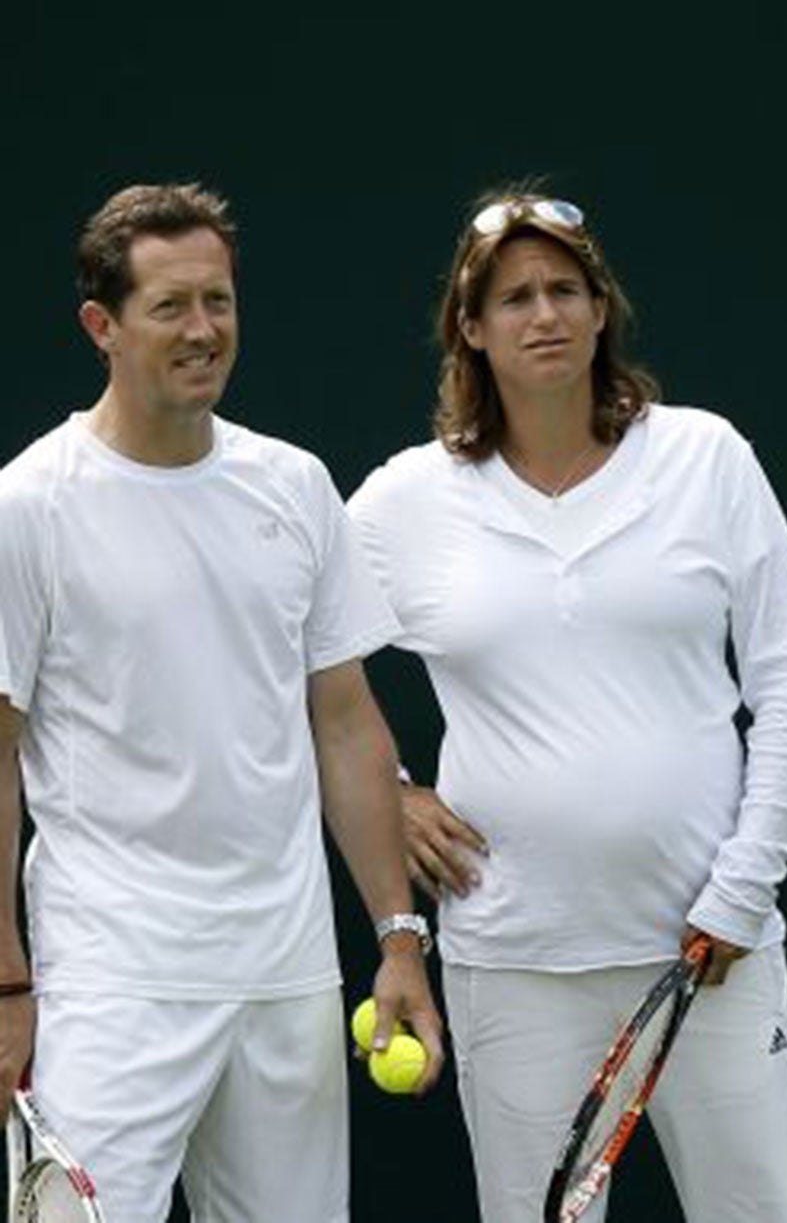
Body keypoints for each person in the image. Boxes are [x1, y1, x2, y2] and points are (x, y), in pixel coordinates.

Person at [347, 191, 787, 1223]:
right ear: (470, 330)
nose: (545, 314)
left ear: (601, 310)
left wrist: (742, 889)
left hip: (712, 953)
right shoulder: (402, 501)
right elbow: (293, 673)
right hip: (511, 960)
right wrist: (387, 793)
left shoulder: (706, 458)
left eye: (565, 289)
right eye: (514, 297)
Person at [0, 183, 443, 1223]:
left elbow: (344, 722)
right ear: (101, 327)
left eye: (220, 303)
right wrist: (6, 985)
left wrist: (396, 937)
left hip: (285, 981)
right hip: (108, 985)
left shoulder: (294, 489)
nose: (204, 331)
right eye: (170, 308)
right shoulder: (27, 508)